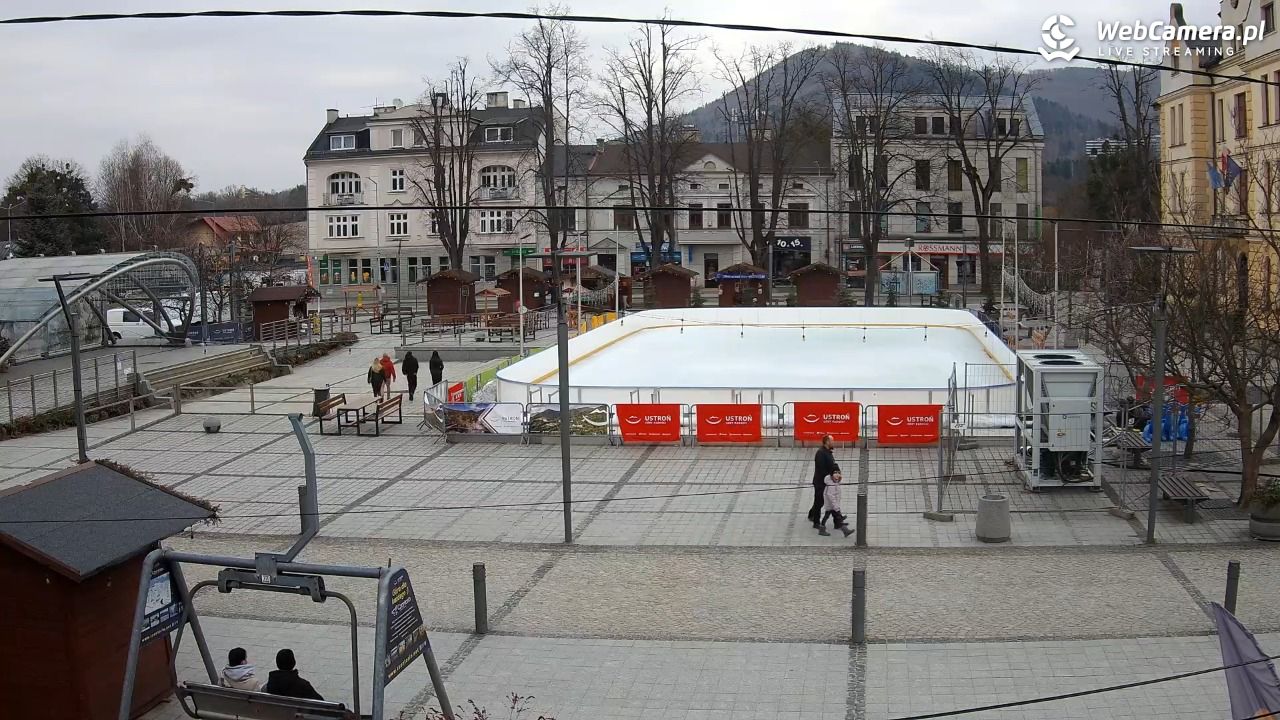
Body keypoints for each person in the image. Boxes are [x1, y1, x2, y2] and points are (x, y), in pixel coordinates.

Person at [808, 435, 837, 528]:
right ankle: (816, 522)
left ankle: (812, 514)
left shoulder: (828, 452)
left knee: (820, 501)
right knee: (819, 501)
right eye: (832, 441)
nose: (833, 442)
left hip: (827, 481)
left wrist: (837, 471)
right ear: (827, 442)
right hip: (820, 482)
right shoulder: (820, 453)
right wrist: (831, 476)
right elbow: (821, 469)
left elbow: (833, 464)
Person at [819, 467, 854, 538]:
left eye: (838, 473)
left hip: (832, 505)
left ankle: (822, 529)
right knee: (837, 517)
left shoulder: (834, 482)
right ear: (831, 474)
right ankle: (845, 530)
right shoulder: (831, 485)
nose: (837, 474)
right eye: (835, 473)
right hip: (832, 505)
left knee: (827, 516)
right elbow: (831, 497)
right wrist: (836, 507)